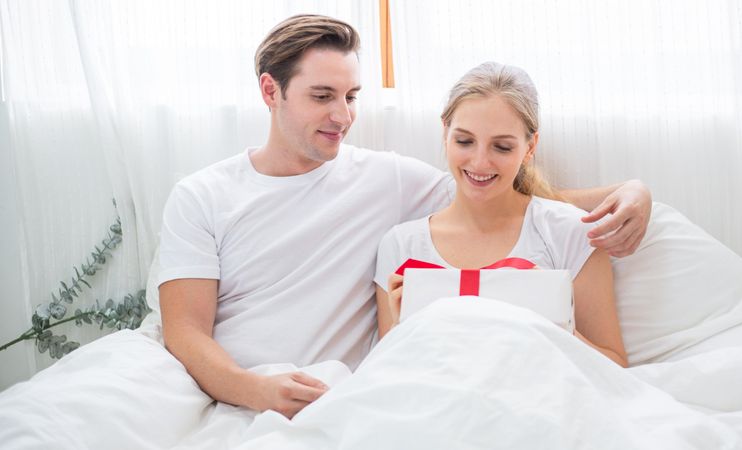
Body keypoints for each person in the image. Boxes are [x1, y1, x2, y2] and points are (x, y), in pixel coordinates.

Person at [158, 14, 647, 420]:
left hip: (341, 394)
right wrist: (254, 389)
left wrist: (633, 191)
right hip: (240, 393)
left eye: (351, 96)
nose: (343, 116)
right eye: (323, 96)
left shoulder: (387, 179)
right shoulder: (201, 195)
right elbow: (184, 331)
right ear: (271, 91)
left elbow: (503, 193)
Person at [374, 62, 627, 367]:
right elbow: (385, 374)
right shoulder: (402, 245)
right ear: (445, 132)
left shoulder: (570, 232)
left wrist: (554, 319)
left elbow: (615, 368)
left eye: (502, 147)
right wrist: (403, 329)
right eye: (464, 141)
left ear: (530, 146)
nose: (480, 163)